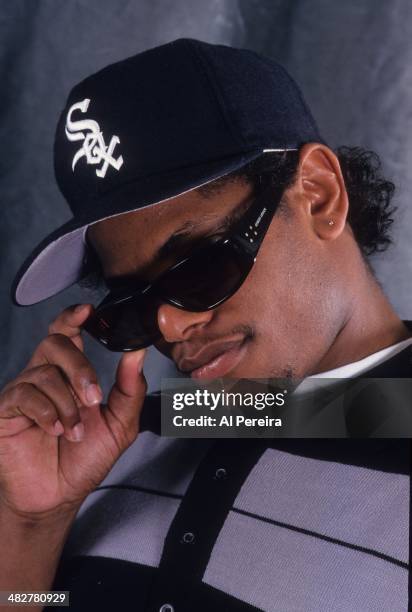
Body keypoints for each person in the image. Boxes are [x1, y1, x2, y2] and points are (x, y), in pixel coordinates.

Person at [0, 38, 410, 611]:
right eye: (132, 303)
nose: (168, 325)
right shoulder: (107, 444)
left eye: (199, 267)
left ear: (318, 195)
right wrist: (32, 524)